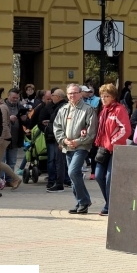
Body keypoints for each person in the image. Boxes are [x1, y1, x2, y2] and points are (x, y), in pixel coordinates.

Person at [53, 83, 98, 215]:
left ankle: (84, 201)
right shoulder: (63, 109)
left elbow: (91, 131)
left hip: (82, 147)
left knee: (73, 172)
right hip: (67, 147)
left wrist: (77, 141)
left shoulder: (88, 109)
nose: (72, 95)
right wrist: (64, 140)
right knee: (74, 175)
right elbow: (57, 127)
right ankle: (80, 203)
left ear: (80, 94)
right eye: (70, 93)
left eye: (75, 93)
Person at [93, 83, 131, 216]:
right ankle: (110, 202)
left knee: (110, 177)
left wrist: (112, 141)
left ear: (113, 97)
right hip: (104, 148)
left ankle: (109, 206)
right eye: (102, 96)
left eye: (106, 96)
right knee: (98, 176)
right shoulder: (103, 110)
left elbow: (125, 129)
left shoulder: (119, 109)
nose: (103, 98)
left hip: (116, 149)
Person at [45, 89, 71, 192]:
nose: (51, 97)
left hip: (60, 138)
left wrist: (61, 140)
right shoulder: (58, 106)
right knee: (60, 161)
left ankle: (60, 184)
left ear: (59, 97)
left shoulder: (62, 107)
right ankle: (62, 182)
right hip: (58, 137)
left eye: (53, 95)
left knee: (60, 161)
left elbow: (61, 124)